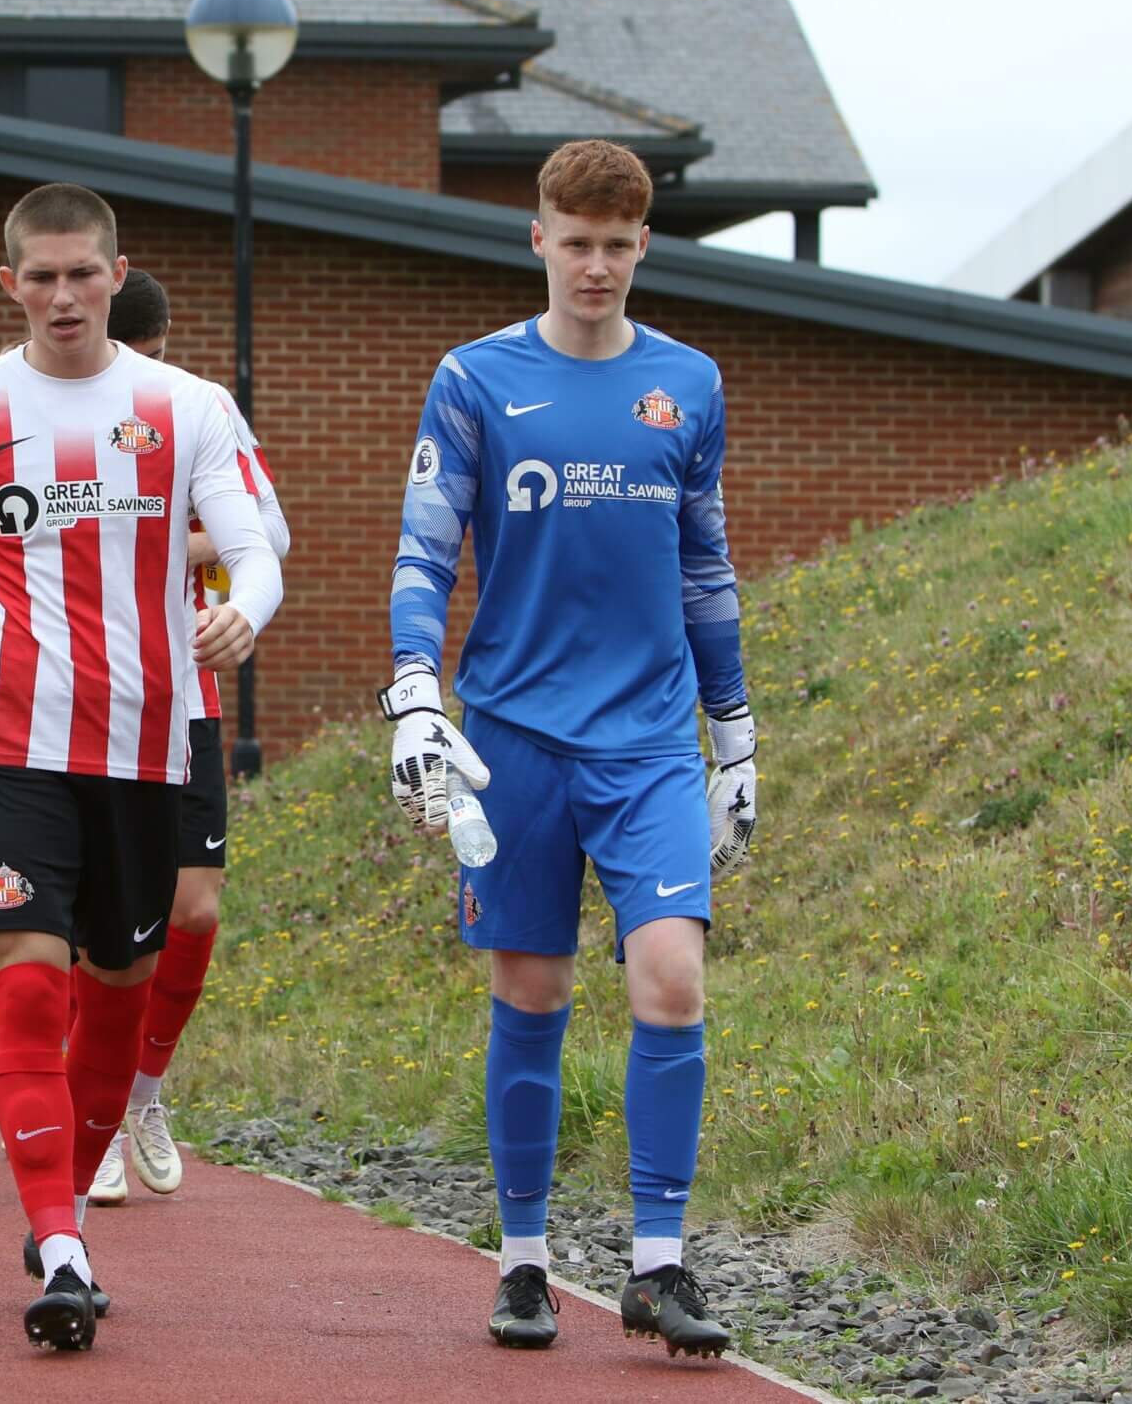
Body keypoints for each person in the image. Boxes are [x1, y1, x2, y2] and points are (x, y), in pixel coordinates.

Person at [0, 183, 281, 1352]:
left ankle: (78, 1181)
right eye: (41, 277)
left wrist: (244, 612)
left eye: (83, 274)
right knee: (24, 974)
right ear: (7, 284)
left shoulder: (185, 404)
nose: (63, 296)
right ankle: (59, 1241)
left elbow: (256, 546)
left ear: (118, 275)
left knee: (117, 984)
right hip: (11, 742)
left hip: (151, 748)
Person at [386, 138, 757, 1359]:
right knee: (531, 992)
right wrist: (413, 694)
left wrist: (735, 731)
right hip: (515, 740)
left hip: (650, 740)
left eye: (616, 245)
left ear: (642, 247)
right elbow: (426, 553)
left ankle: (657, 1265)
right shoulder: (474, 378)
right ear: (536, 238)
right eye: (574, 241)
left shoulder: (687, 384)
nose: (594, 265)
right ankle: (527, 1263)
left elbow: (704, 565)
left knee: (671, 981)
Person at [81, 268, 290, 1203]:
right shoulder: (50, 411)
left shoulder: (195, 411)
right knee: (101, 930)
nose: (142, 367)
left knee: (193, 909)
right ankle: (91, 1102)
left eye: (155, 352)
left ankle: (145, 1092)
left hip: (186, 693)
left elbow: (269, 531)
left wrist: (176, 538)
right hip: (79, 697)